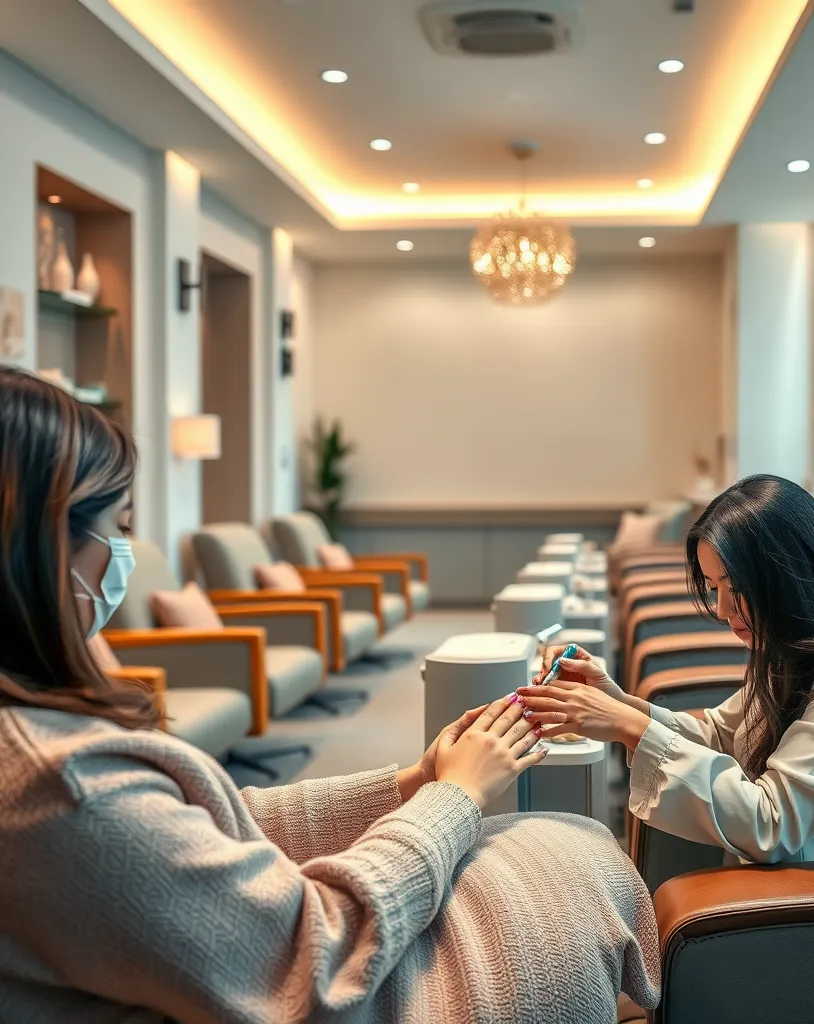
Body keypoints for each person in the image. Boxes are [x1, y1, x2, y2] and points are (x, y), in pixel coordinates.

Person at [0, 367, 659, 1023]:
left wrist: (413, 781)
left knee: (562, 843)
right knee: (571, 854)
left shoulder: (47, 744)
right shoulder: (64, 786)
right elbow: (308, 962)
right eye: (114, 529)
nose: (121, 557)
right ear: (41, 546)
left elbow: (216, 822)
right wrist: (453, 799)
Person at [519, 475, 814, 865]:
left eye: (736, 590)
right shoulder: (792, 645)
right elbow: (724, 735)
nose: (721, 611)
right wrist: (618, 704)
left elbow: (772, 824)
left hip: (810, 903)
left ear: (789, 577)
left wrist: (629, 725)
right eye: (714, 588)